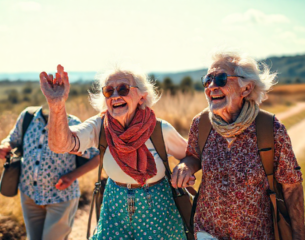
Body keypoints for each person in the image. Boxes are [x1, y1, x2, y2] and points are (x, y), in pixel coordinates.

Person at [39, 64, 194, 239]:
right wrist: (56, 105)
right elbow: (61, 145)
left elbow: (191, 156)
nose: (115, 96)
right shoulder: (100, 126)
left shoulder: (160, 130)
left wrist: (185, 167)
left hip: (158, 210)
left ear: (142, 97)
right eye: (108, 91)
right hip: (114, 209)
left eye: (123, 89)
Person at [171, 51, 305, 240]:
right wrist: (186, 166)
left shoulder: (270, 128)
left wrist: (299, 235)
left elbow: (291, 187)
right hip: (206, 231)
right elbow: (194, 156)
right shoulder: (200, 124)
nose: (211, 87)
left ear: (246, 89)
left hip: (255, 233)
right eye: (207, 80)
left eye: (220, 79)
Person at [0, 105, 100, 240]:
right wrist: (5, 146)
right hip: (29, 195)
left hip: (61, 198)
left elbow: (97, 156)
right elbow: (12, 140)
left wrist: (72, 176)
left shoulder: (73, 124)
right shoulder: (27, 117)